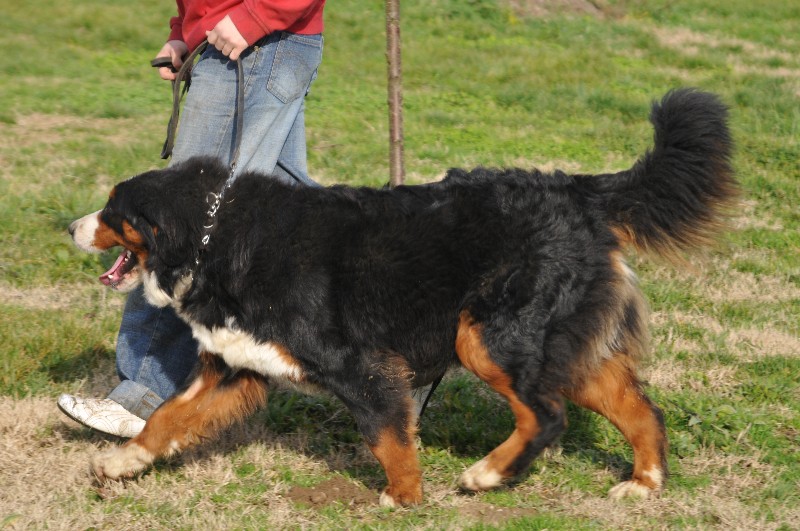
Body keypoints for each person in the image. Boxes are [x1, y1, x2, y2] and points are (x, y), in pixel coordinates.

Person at [59, 0, 436, 438]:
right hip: (240, 38)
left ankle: (141, 392)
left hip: (254, 43)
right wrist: (186, 27)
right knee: (297, 212)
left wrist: (258, 15)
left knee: (179, 223)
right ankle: (415, 330)